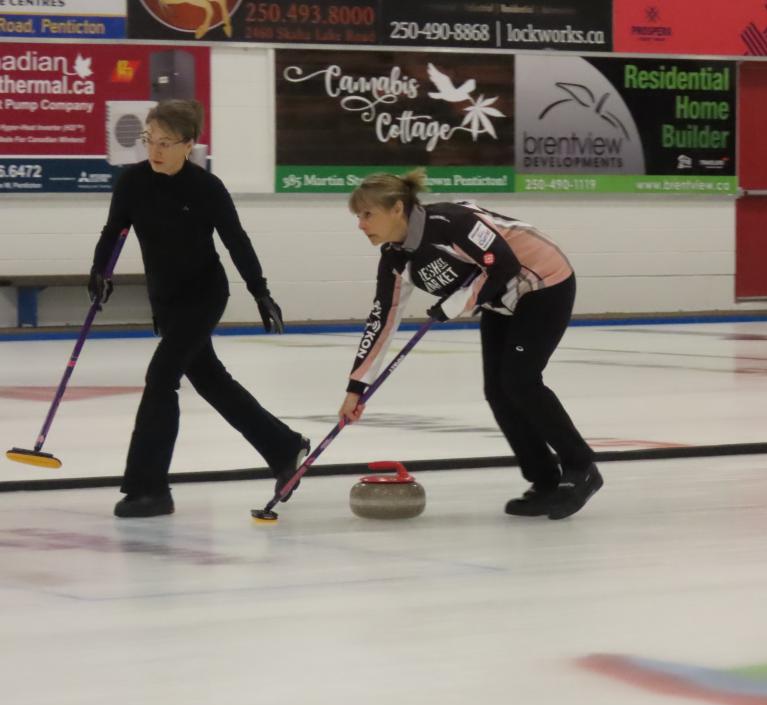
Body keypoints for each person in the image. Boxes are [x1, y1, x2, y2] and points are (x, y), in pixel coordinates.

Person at [89, 99, 309, 518]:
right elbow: (113, 230)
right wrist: (100, 270)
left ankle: (148, 489)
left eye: (166, 143)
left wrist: (260, 291)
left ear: (189, 144)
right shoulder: (133, 182)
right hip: (166, 300)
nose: (155, 150)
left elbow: (236, 240)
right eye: (150, 140)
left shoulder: (206, 188)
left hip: (204, 295)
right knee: (211, 381)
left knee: (160, 378)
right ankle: (283, 446)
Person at [339, 170, 602, 520]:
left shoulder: (452, 222)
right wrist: (356, 388)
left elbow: (503, 264)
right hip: (499, 300)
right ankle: (544, 480)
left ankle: (581, 466)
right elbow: (382, 320)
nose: (361, 225)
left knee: (520, 380)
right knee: (497, 389)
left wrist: (455, 304)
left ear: (397, 209)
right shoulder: (395, 257)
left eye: (367, 214)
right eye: (358, 217)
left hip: (543, 283)